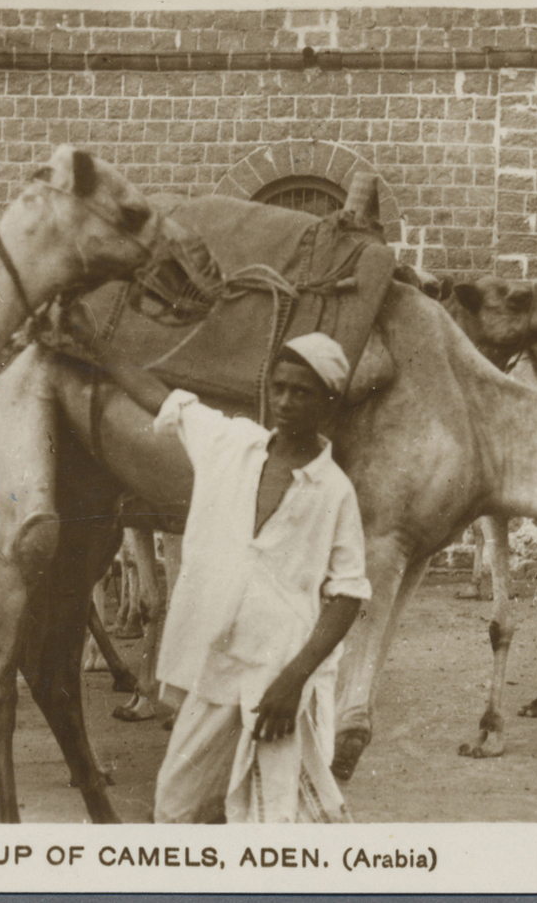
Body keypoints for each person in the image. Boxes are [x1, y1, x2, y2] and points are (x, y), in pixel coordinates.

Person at [80, 326, 371, 823]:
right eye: (278, 388)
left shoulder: (334, 490)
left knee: (279, 818)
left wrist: (294, 679)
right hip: (215, 669)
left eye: (301, 392)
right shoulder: (233, 444)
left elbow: (348, 593)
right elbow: (164, 399)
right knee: (175, 806)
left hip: (281, 678)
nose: (284, 401)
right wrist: (97, 346)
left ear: (327, 403)